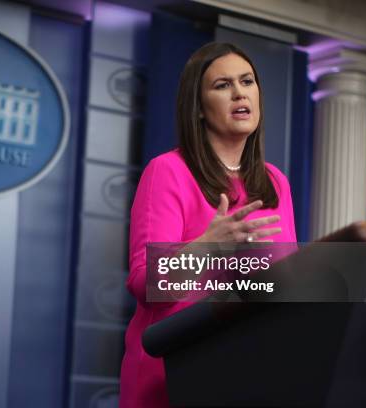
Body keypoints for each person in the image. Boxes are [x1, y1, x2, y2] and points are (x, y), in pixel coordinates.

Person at [119, 42, 297, 407]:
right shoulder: (168, 171)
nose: (239, 93)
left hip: (247, 371)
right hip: (172, 372)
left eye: (247, 82)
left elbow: (284, 285)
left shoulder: (274, 181)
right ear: (198, 108)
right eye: (222, 85)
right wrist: (209, 247)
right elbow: (145, 283)